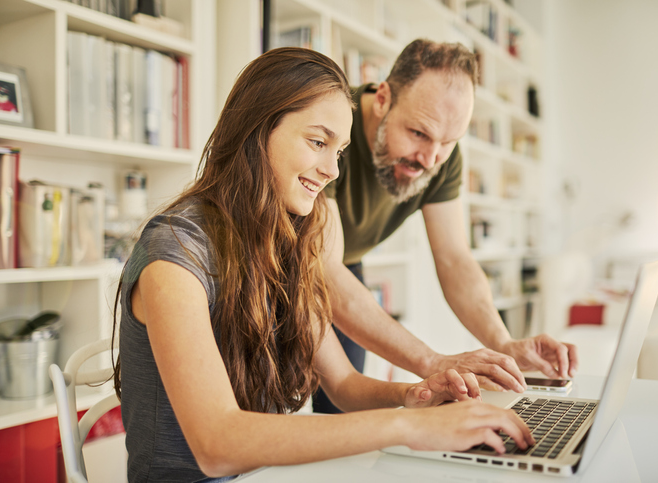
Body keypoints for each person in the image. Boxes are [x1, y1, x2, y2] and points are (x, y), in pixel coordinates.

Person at [111, 47, 534, 482]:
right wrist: (410, 426)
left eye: (341, 150)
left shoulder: (288, 246)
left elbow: (345, 385)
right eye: (318, 142)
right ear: (257, 129)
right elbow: (217, 445)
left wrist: (419, 396)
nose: (333, 169)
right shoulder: (175, 253)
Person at [314, 39, 579, 414]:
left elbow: (455, 259)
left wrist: (502, 344)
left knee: (340, 410)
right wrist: (432, 362)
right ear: (384, 97)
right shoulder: (338, 125)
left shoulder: (440, 155)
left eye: (448, 142)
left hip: (346, 267)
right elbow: (323, 271)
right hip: (286, 264)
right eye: (418, 134)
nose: (430, 158)